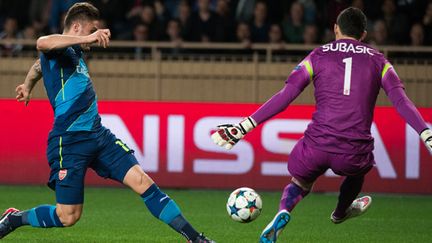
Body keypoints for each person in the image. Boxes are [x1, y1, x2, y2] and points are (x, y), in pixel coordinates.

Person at [211, 7, 432, 243]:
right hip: (352, 151)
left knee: (299, 182)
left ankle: (284, 211)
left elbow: (286, 95)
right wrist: (425, 132)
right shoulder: (380, 62)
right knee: (358, 172)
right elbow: (400, 100)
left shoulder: (317, 55)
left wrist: (243, 127)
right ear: (364, 34)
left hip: (316, 146)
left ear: (336, 28)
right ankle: (339, 213)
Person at [0, 3, 215, 243]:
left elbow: (39, 66)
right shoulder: (58, 48)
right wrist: (90, 37)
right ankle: (15, 219)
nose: (96, 35)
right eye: (92, 29)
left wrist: (28, 85)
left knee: (143, 182)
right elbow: (42, 43)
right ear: (77, 27)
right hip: (69, 141)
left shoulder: (73, 53)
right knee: (67, 216)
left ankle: (196, 238)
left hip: (99, 137)